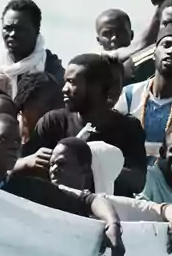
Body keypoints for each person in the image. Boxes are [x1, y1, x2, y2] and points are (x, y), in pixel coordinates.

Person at [0, 114, 124, 256]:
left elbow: (90, 200)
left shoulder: (28, 189)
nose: (14, 146)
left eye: (17, 141)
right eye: (3, 139)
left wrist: (112, 224)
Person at [19, 54, 148, 196]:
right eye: (65, 82)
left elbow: (138, 182)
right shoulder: (52, 122)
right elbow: (25, 168)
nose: (64, 89)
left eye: (72, 82)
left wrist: (93, 163)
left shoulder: (128, 128)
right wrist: (34, 162)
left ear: (96, 87)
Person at [114, 21, 172, 163]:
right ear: (154, 53)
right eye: (166, 45)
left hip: (171, 183)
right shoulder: (129, 95)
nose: (171, 51)